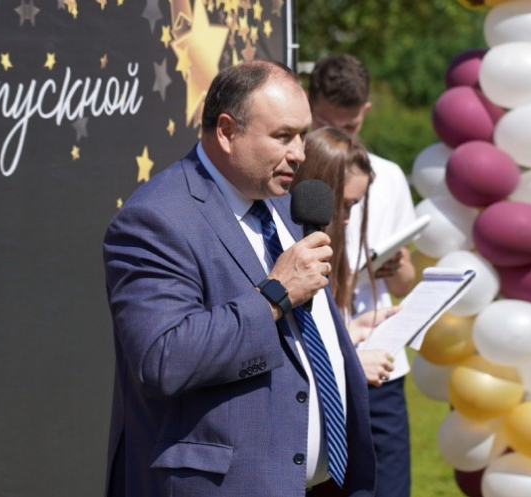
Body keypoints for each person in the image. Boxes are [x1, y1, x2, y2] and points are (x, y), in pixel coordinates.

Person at [103, 61, 379, 496]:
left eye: (303, 135)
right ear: (227, 132)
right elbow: (163, 359)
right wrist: (274, 295)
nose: (300, 153)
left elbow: (299, 342)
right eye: (283, 136)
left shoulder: (286, 205)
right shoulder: (155, 219)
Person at [308, 54, 418, 497]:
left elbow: (404, 285)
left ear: (365, 112)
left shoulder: (388, 176)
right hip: (324, 365)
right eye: (326, 124)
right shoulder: (300, 172)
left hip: (381, 363)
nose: (340, 135)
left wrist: (398, 267)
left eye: (350, 127)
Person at [291, 127, 396, 389]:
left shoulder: (331, 243)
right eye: (344, 204)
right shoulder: (285, 249)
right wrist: (351, 362)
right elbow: (287, 347)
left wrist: (353, 328)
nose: (348, 218)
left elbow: (316, 333)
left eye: (354, 205)